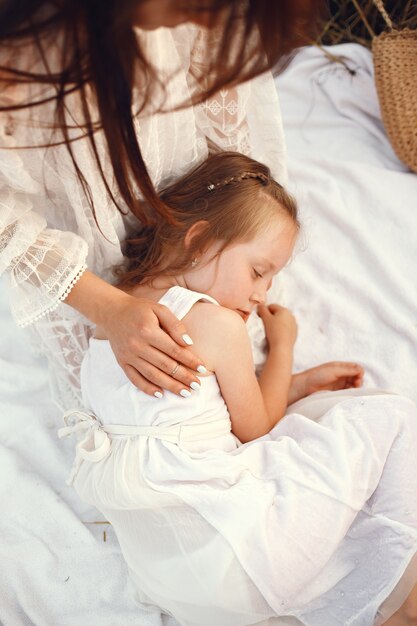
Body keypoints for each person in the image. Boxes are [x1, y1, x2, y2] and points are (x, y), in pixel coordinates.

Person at [59, 152, 417, 626]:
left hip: (175, 579)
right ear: (200, 240)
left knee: (323, 418)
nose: (262, 294)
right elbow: (257, 427)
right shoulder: (215, 323)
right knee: (390, 417)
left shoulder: (111, 327)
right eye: (258, 271)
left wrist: (300, 385)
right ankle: (403, 596)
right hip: (245, 555)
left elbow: (197, 414)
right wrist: (283, 345)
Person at [0, 0, 321, 408]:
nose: (205, 19)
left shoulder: (219, 302)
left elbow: (227, 154)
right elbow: (255, 426)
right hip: (85, 255)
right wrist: (106, 306)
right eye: (259, 272)